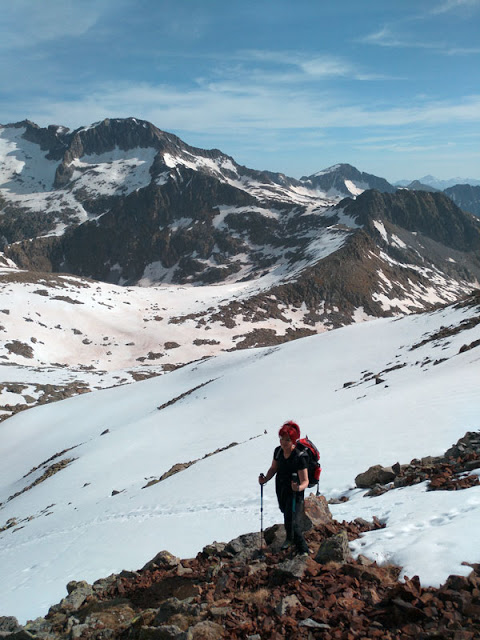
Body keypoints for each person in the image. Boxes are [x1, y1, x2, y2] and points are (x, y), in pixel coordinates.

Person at [258, 420, 309, 555]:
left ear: (293, 440)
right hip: (281, 488)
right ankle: (289, 539)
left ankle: (304, 551)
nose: (283, 442)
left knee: (293, 521)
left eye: (287, 439)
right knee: (285, 513)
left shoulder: (299, 457)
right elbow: (274, 468)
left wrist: (298, 488)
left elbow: (305, 481)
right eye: (281, 438)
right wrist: (265, 479)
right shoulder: (278, 451)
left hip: (295, 493)